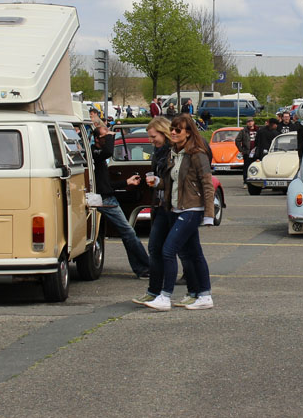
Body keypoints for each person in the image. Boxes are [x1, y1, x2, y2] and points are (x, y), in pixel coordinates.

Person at [140, 115, 216, 310]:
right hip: (176, 207)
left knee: (168, 250)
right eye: (172, 129)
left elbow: (207, 184)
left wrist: (209, 214)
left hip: (192, 209)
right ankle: (204, 295)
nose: (173, 132)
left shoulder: (197, 154)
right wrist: (158, 183)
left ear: (188, 132)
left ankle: (165, 296)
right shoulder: (175, 153)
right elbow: (173, 182)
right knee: (194, 253)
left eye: (178, 130)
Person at [89, 117, 152, 279]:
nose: (108, 139)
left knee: (127, 233)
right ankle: (145, 267)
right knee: (128, 232)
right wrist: (111, 134)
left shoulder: (99, 158)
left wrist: (126, 182)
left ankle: (142, 267)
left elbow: (106, 184)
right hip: (102, 199)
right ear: (97, 139)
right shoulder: (95, 153)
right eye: (105, 137)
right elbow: (109, 151)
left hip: (105, 197)